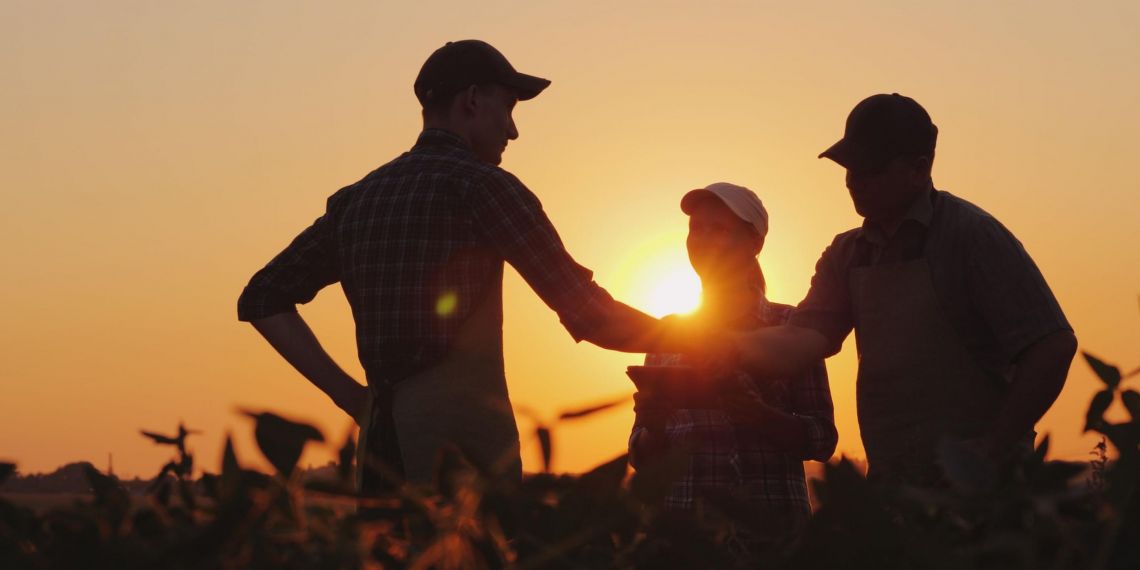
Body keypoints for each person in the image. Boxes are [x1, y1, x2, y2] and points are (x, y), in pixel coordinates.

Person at [237, 40, 694, 489]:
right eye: (508, 108)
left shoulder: (357, 200)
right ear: (472, 100)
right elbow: (590, 315)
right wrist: (699, 342)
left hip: (379, 456)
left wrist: (356, 400)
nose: (512, 131)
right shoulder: (483, 188)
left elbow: (262, 297)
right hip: (465, 464)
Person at [723, 94, 1077, 486]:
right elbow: (800, 339)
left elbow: (1052, 346)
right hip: (894, 489)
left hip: (985, 495)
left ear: (919, 169)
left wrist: (992, 449)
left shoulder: (972, 237)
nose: (853, 180)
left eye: (869, 168)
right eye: (848, 167)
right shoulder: (848, 254)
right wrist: (712, 345)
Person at [628, 183, 837, 539]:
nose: (703, 239)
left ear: (755, 244)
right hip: (683, 538)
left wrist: (759, 415)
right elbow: (641, 455)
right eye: (696, 228)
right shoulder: (666, 334)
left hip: (772, 537)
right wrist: (654, 423)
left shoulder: (791, 327)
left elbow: (821, 439)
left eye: (719, 229)